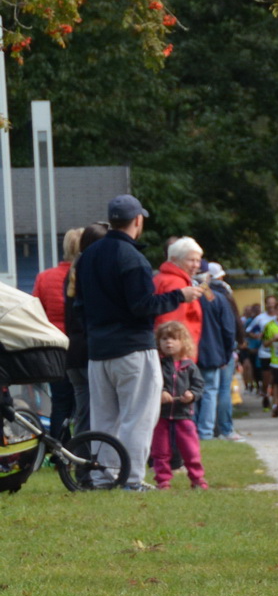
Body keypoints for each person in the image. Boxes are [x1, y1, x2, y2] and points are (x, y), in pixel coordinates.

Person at [75, 196, 207, 489]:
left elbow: (79, 305)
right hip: (132, 348)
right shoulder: (132, 258)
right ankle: (131, 479)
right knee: (138, 417)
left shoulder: (88, 256)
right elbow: (142, 305)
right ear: (138, 221)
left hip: (98, 350)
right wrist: (180, 296)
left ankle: (102, 475)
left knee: (104, 419)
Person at [32, 226, 83, 440]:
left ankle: (59, 449)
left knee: (60, 401)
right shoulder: (84, 276)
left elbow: (35, 313)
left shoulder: (45, 278)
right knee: (84, 401)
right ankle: (84, 447)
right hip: (81, 346)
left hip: (54, 348)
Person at [60, 222, 109, 436]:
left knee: (83, 411)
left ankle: (79, 458)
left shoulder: (72, 273)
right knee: (101, 411)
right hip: (91, 351)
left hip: (73, 351)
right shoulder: (94, 274)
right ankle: (95, 456)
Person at [151, 320, 207, 489]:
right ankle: (162, 481)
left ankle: (197, 479)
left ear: (183, 342)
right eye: (164, 339)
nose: (168, 342)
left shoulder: (189, 366)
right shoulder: (157, 365)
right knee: (160, 451)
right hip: (162, 416)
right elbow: (152, 383)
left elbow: (199, 386)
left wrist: (192, 395)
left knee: (191, 450)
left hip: (184, 415)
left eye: (173, 338)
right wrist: (161, 392)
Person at [195, 262, 241, 441]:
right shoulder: (219, 298)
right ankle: (207, 432)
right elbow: (229, 329)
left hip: (190, 353)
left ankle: (191, 430)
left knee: (191, 392)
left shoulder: (187, 296)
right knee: (212, 391)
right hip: (214, 353)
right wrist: (228, 353)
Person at [153, 237, 206, 350]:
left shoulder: (161, 278)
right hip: (177, 355)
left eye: (198, 260)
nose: (196, 265)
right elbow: (170, 326)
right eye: (191, 260)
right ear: (174, 259)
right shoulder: (177, 283)